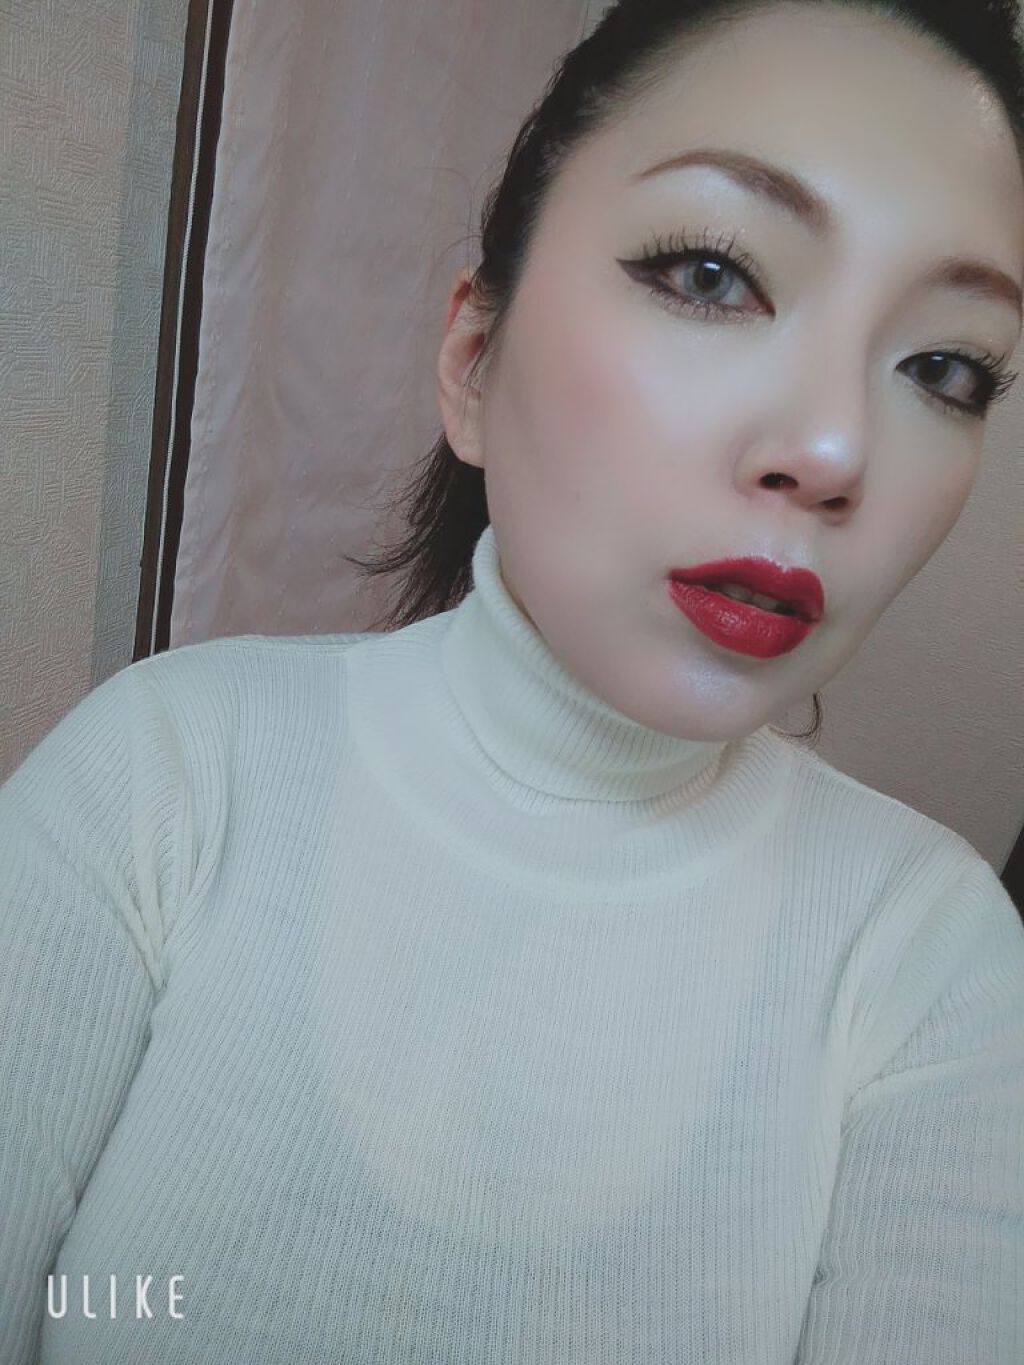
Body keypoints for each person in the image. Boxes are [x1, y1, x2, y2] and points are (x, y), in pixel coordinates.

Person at [2, 0, 1023, 1360]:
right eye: (713, 274)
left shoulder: (934, 961)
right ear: (474, 361)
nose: (836, 448)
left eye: (945, 366)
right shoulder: (165, 774)